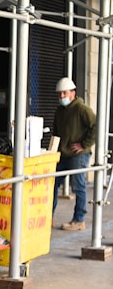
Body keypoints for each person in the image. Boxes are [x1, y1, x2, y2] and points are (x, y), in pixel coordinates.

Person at [51, 77, 96, 231]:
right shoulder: (59, 111)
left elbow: (96, 126)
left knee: (78, 187)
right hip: (63, 154)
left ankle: (79, 220)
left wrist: (84, 144)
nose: (61, 96)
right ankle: (48, 216)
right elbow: (56, 132)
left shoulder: (82, 109)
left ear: (73, 93)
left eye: (64, 93)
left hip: (78, 155)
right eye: (59, 94)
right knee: (52, 184)